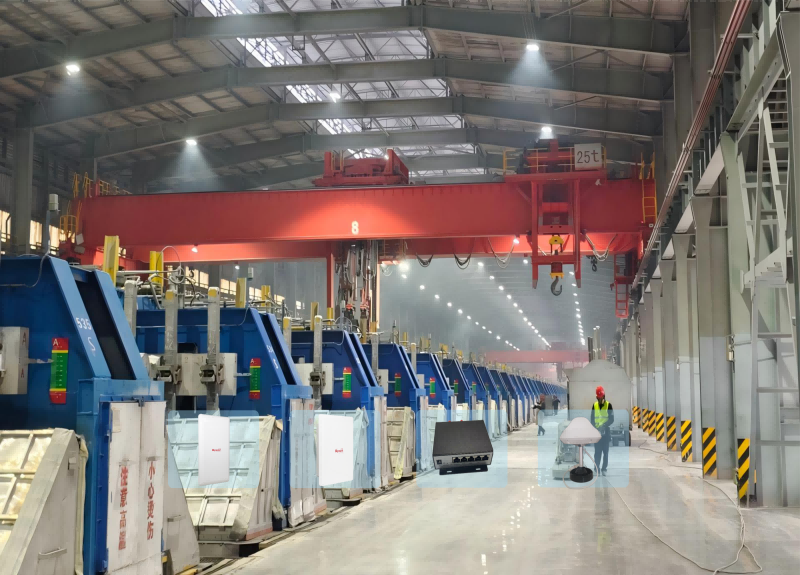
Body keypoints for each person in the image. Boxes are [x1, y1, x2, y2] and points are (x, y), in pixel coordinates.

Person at [590, 385, 614, 475]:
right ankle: (596, 469)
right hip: (597, 432)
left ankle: (604, 469)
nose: (600, 399)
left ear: (604, 396)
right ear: (597, 397)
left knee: (605, 452)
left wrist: (604, 425)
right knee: (597, 452)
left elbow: (612, 419)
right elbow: (592, 418)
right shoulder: (594, 405)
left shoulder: (608, 405)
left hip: (605, 432)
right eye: (598, 398)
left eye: (601, 397)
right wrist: (595, 427)